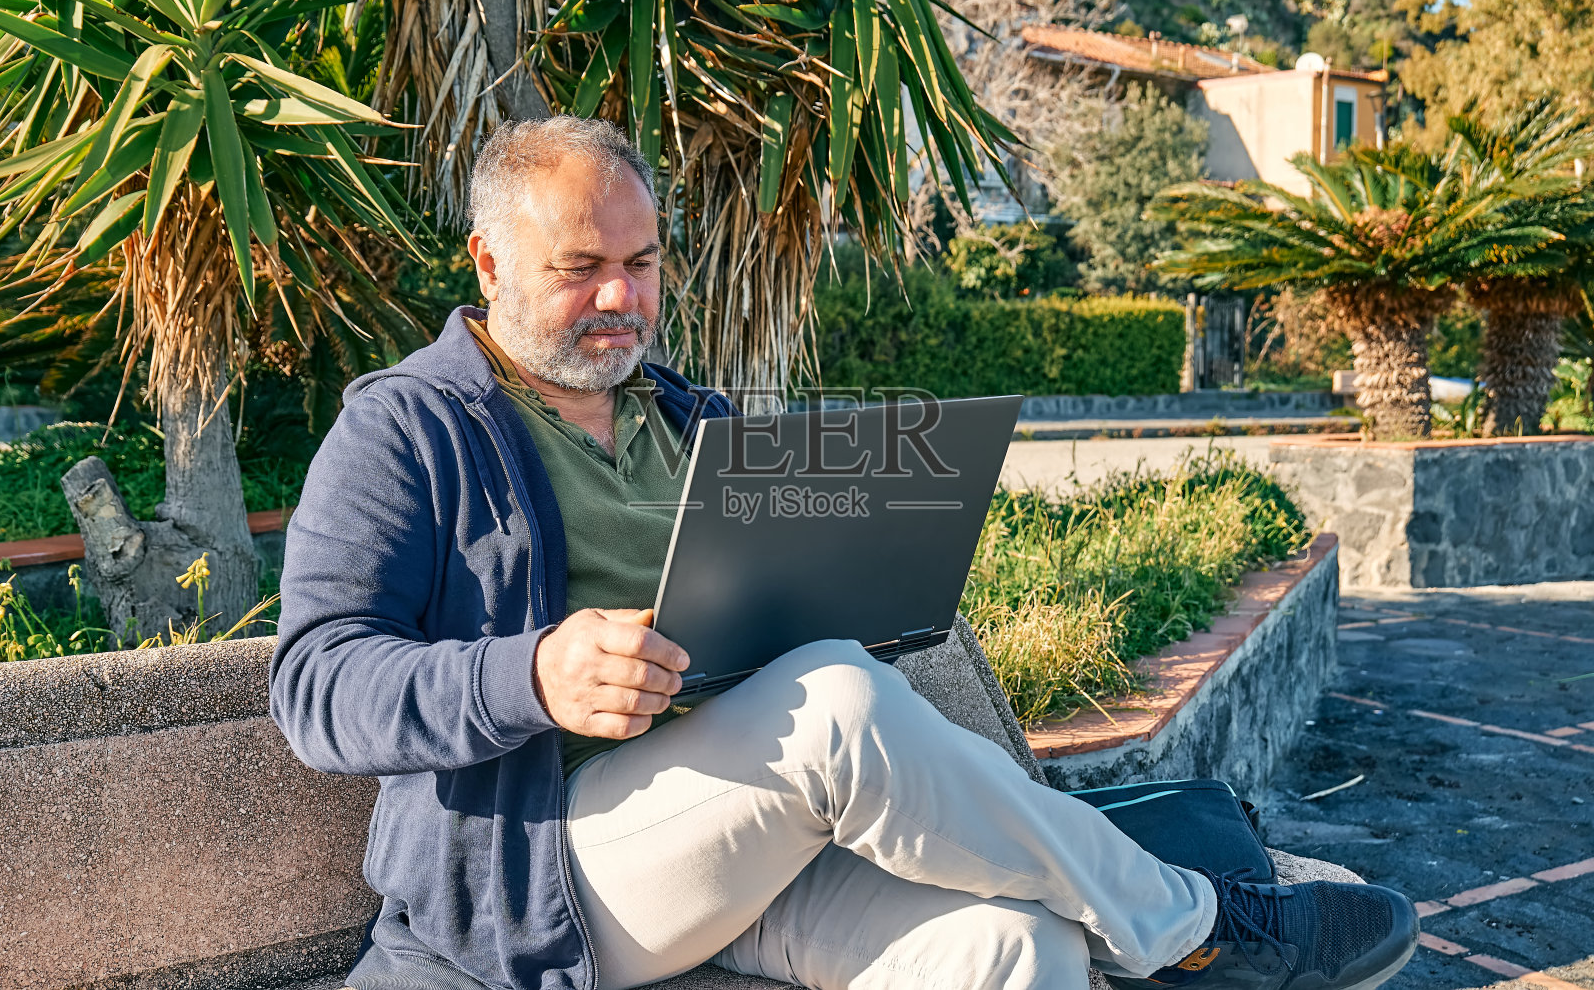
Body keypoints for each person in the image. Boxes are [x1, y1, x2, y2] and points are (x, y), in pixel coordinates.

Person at [270, 116, 1418, 990]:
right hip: (552, 870)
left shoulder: (686, 416)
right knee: (831, 703)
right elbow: (313, 685)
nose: (621, 297)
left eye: (645, 261)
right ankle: (1205, 925)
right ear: (486, 261)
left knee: (1013, 946)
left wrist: (868, 574)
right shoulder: (405, 426)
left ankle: (1151, 920)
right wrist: (530, 673)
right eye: (581, 267)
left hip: (749, 838)